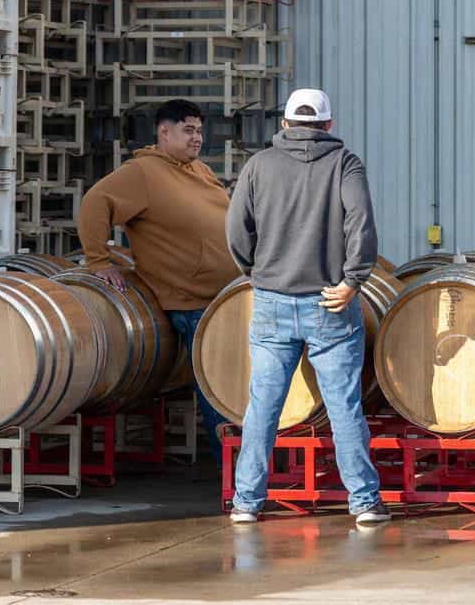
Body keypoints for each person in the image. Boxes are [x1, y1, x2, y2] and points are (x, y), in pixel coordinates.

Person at [225, 88, 390, 524]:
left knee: (263, 405)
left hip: (271, 301)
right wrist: (354, 280)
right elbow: (361, 222)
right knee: (343, 405)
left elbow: (236, 229)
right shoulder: (345, 163)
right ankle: (364, 503)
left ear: (285, 123)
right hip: (329, 301)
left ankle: (246, 502)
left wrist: (254, 271)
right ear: (329, 125)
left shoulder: (259, 166)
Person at [78, 98, 239, 466]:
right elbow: (94, 203)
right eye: (188, 130)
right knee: (219, 388)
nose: (197, 137)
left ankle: (244, 472)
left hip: (224, 295)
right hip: (191, 300)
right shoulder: (143, 173)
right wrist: (99, 261)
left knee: (237, 383)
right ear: (164, 132)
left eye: (199, 130)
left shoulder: (196, 168)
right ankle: (231, 476)